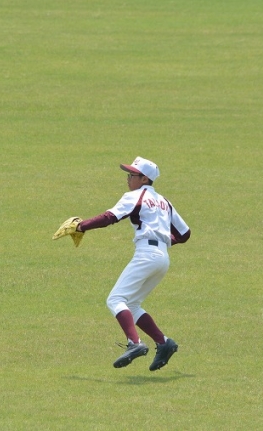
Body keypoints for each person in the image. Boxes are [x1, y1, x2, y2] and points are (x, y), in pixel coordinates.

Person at [75, 157, 190, 371]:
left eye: (132, 175)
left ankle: (135, 343)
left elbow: (110, 217)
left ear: (144, 179)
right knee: (133, 304)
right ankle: (164, 342)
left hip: (146, 255)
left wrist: (81, 226)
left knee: (116, 299)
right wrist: (163, 242)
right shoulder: (164, 202)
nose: (128, 178)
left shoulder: (135, 196)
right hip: (162, 258)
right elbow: (184, 234)